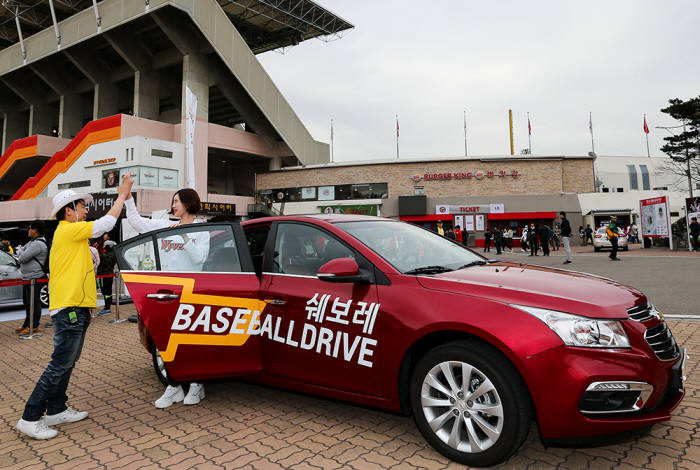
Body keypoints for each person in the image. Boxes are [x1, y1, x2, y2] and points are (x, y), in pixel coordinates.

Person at [17, 174, 133, 440]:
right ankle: (30, 416)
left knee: (67, 362)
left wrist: (87, 308)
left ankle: (56, 409)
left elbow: (80, 272)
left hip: (75, 308)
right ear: (67, 211)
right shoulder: (68, 230)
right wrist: (122, 196)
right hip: (69, 309)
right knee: (60, 364)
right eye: (81, 207)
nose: (85, 210)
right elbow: (106, 222)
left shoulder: (72, 235)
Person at [124, 188, 209, 408]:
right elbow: (136, 222)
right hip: (166, 294)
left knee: (191, 341)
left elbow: (199, 259)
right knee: (166, 340)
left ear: (189, 203)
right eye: (173, 201)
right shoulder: (165, 225)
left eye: (177, 201)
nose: (173, 205)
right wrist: (127, 197)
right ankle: (174, 386)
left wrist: (183, 235)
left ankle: (196, 385)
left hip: (190, 293)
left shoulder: (202, 229)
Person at [16, 221, 48, 334]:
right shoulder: (32, 242)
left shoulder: (37, 244)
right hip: (28, 278)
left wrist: (20, 251)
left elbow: (21, 258)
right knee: (27, 303)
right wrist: (21, 251)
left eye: (29, 228)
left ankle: (34, 325)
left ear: (35, 230)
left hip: (35, 278)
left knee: (33, 303)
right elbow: (19, 251)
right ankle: (27, 324)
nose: (28, 230)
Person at [96, 241, 117, 316]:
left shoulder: (103, 256)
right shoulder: (114, 255)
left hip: (103, 276)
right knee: (109, 292)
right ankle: (108, 307)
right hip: (110, 275)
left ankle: (107, 308)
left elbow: (96, 261)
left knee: (105, 292)